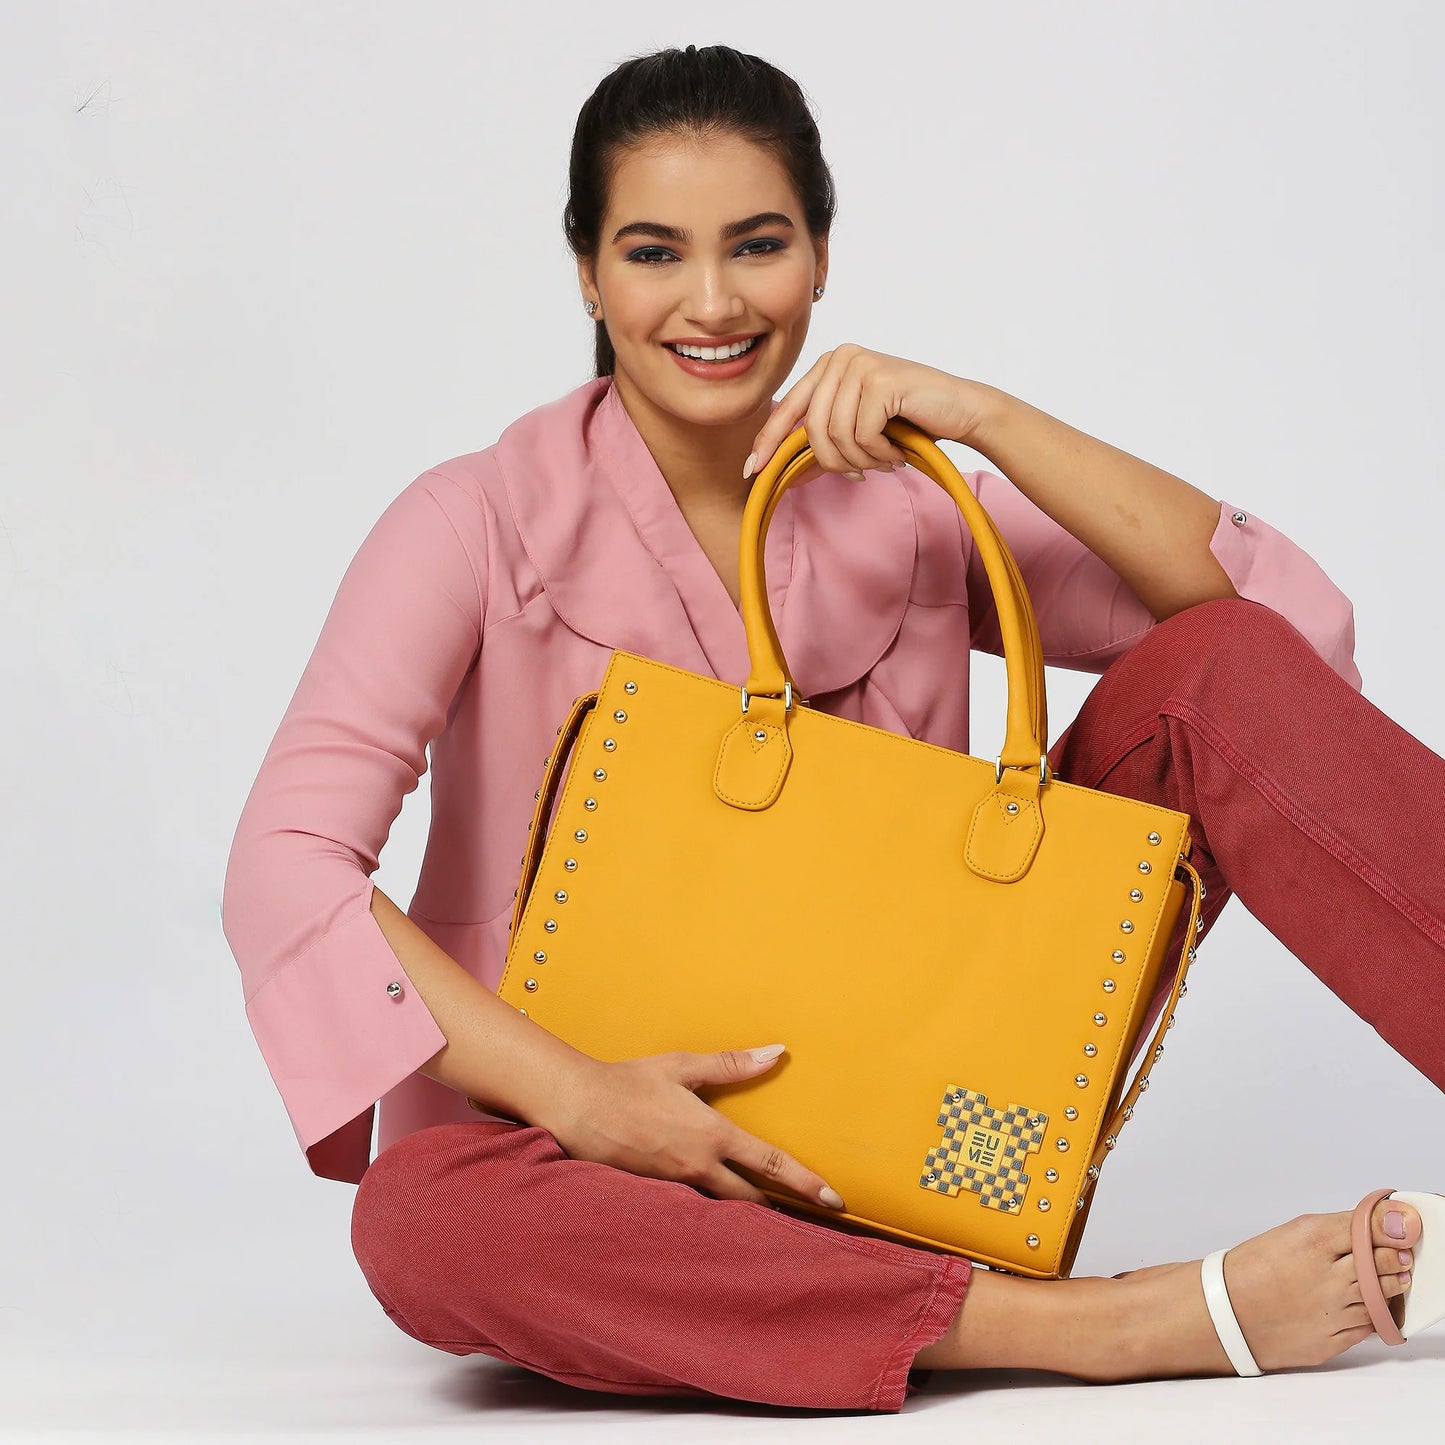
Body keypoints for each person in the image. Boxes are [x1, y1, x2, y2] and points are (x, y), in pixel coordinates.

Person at [220, 44, 1444, 1413]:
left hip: (932, 1120)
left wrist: (979, 417)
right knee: (422, 1219)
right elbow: (284, 867)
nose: (711, 301)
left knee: (1214, 668)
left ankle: (929, 1281)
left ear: (818, 261)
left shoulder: (908, 507)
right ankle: (1099, 1326)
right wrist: (579, 1096)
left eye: (757, 245)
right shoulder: (472, 520)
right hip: (591, 1170)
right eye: (652, 252)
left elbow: (1281, 626)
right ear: (587, 274)